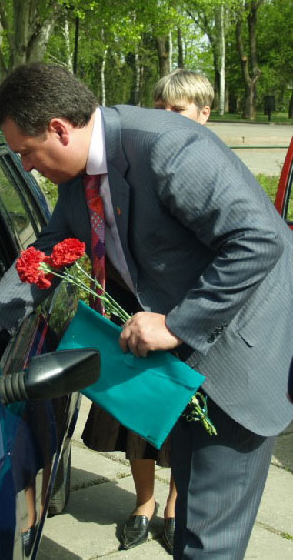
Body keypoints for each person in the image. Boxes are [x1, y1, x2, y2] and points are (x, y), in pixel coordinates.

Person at [0, 62, 292, 559]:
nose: (26, 166)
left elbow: (258, 242)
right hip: (186, 365)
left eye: (26, 152)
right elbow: (47, 254)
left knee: (208, 538)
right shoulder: (81, 171)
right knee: (195, 513)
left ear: (59, 129)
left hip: (239, 356)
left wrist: (176, 324)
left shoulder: (170, 149)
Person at [96, 67, 217, 553]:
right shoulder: (136, 161)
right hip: (135, 308)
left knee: (187, 417)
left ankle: (174, 504)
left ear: (204, 114)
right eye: (160, 109)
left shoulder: (216, 167)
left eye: (179, 110)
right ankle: (143, 502)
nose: (166, 119)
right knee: (138, 412)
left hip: (195, 313)